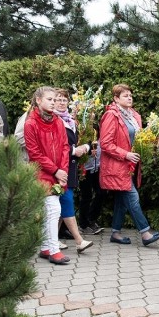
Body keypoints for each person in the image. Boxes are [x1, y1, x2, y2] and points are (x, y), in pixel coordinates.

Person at [98, 84, 159, 246]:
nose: (129, 97)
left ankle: (115, 233)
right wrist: (125, 154)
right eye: (125, 95)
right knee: (132, 196)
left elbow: (139, 138)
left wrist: (155, 140)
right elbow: (105, 143)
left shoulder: (134, 115)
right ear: (116, 99)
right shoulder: (111, 115)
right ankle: (145, 233)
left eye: (130, 95)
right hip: (117, 165)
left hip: (131, 166)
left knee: (121, 198)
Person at [23, 86, 71, 265]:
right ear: (38, 101)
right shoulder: (31, 123)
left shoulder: (58, 121)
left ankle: (45, 247)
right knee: (53, 210)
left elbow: (65, 147)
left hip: (59, 172)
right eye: (50, 99)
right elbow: (34, 154)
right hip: (42, 172)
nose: (54, 102)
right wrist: (55, 170)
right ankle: (54, 250)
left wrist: (63, 170)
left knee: (49, 210)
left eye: (55, 99)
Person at [53, 89, 93, 253]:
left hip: (71, 166)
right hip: (59, 167)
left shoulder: (70, 120)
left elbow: (74, 142)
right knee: (67, 201)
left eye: (64, 100)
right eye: (58, 99)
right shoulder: (53, 120)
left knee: (61, 206)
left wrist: (86, 147)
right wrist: (72, 150)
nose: (62, 103)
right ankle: (79, 240)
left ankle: (50, 240)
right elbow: (54, 145)